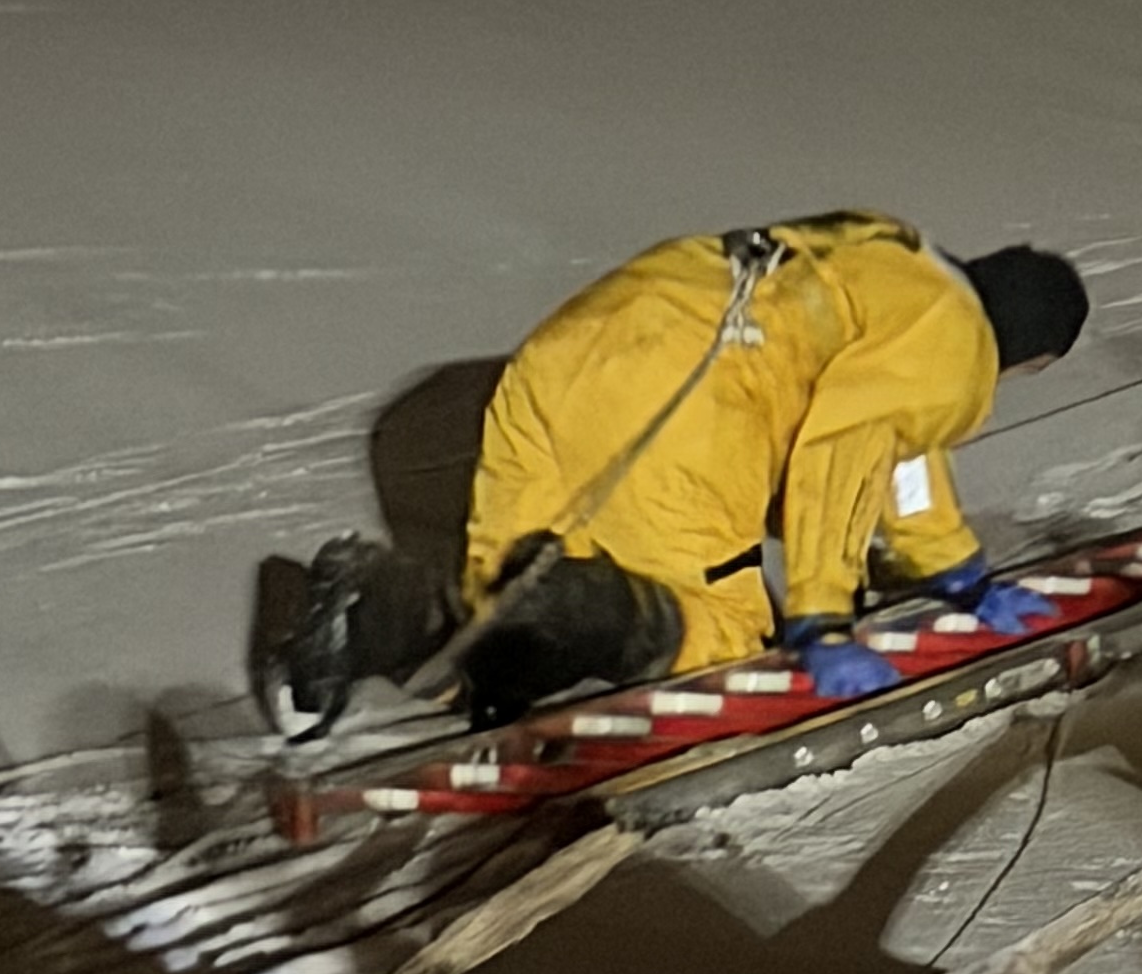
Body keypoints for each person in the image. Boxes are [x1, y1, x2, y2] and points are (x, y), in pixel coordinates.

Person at [265, 215, 1090, 737]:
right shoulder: (956, 347)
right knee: (717, 638)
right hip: (696, 393)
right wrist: (820, 622)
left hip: (578, 347)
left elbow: (902, 456)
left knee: (499, 603)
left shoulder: (896, 256)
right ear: (1033, 355)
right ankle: (567, 610)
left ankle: (373, 610)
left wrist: (962, 575)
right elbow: (844, 453)